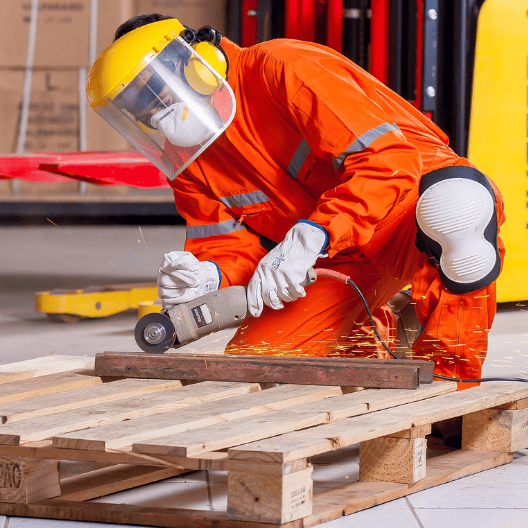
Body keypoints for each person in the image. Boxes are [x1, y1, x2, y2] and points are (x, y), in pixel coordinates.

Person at [87, 14, 505, 388]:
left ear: (198, 66)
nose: (151, 111)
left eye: (153, 90)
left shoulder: (282, 67)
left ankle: (451, 387)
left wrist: (315, 232)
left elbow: (388, 163)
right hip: (327, 260)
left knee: (457, 210)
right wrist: (208, 276)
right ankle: (377, 347)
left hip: (406, 211)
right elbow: (228, 244)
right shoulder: (189, 156)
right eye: (136, 106)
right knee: (257, 372)